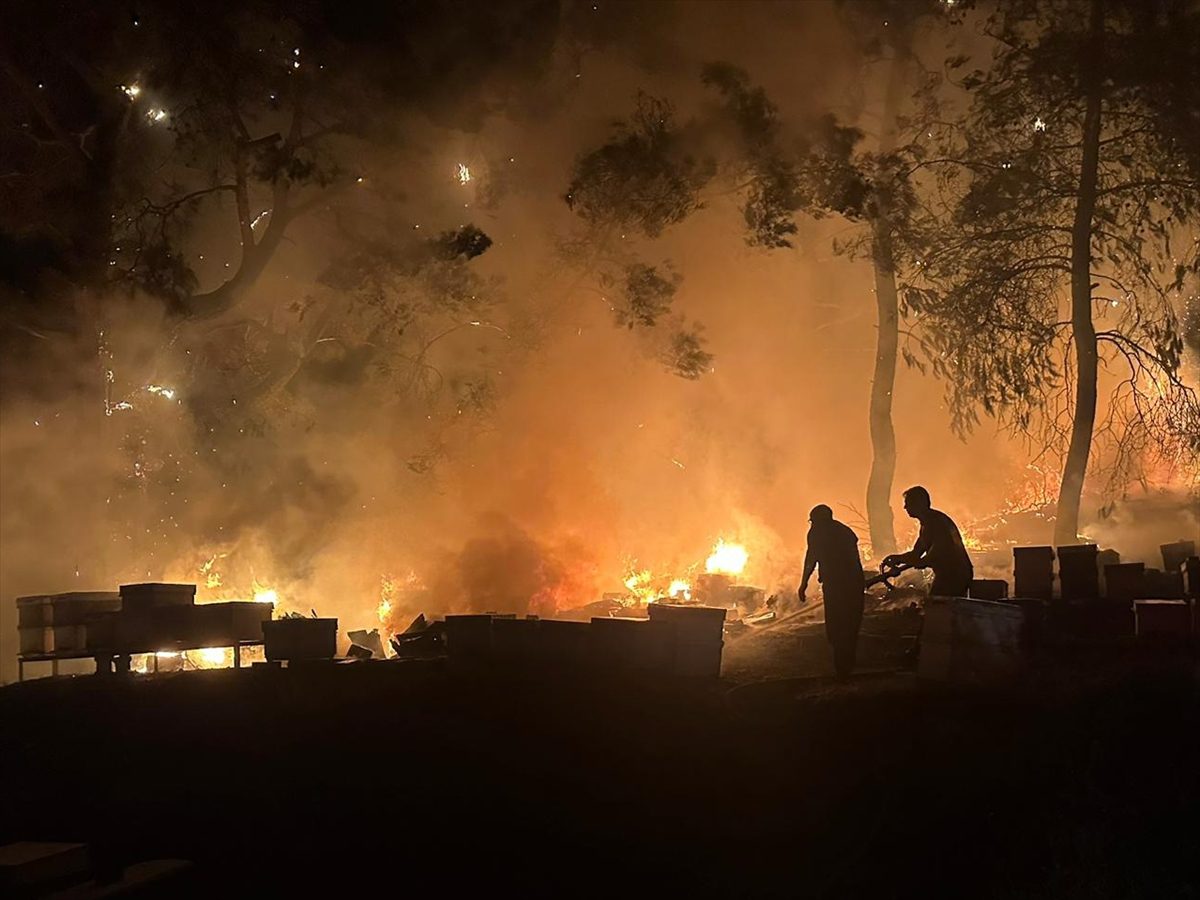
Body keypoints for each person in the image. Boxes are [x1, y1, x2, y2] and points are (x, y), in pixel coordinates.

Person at [798, 504, 865, 680]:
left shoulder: (818, 533)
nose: (811, 525)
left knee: (837, 627)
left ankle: (842, 668)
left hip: (837, 585)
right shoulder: (845, 532)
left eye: (813, 521)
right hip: (852, 584)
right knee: (849, 625)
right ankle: (846, 666)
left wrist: (804, 584)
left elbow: (811, 559)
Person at [882, 485, 973, 597]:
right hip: (947, 573)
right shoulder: (926, 524)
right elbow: (915, 554)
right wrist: (897, 558)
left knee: (937, 605)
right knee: (936, 604)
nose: (905, 507)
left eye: (908, 503)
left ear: (919, 504)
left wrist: (916, 562)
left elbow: (934, 556)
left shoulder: (937, 523)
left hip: (955, 574)